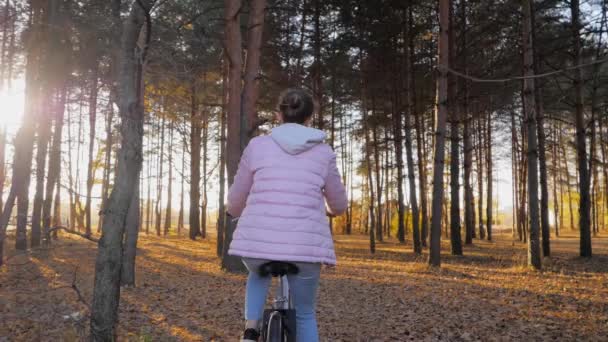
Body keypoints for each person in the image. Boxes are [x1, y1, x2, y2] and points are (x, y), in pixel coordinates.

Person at [226, 88, 348, 342]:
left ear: (278, 114)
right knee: (304, 314)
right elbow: (338, 202)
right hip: (305, 246)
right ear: (309, 117)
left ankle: (250, 330)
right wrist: (333, 211)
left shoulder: (257, 146)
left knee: (257, 272)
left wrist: (232, 211)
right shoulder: (323, 152)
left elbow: (238, 193)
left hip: (258, 242)